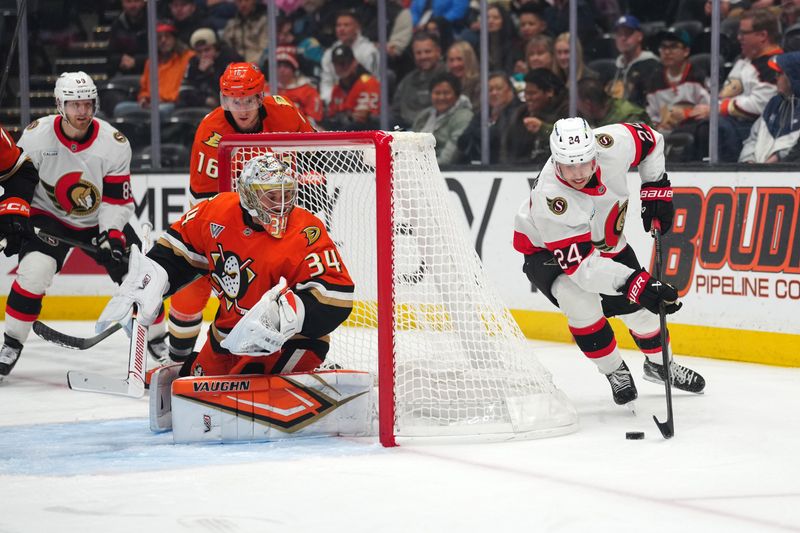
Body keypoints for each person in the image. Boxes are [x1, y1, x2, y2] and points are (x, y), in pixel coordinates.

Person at [96, 153, 354, 378]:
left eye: (287, 195)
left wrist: (287, 315)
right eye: (272, 196)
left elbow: (337, 297)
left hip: (287, 342)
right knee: (193, 385)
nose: (282, 205)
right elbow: (175, 253)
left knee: (241, 384)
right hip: (227, 338)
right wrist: (150, 283)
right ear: (249, 196)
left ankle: (312, 370)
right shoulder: (214, 212)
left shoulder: (306, 229)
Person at [513, 117, 706, 406]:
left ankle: (660, 366)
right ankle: (615, 370)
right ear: (555, 160)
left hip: (605, 240)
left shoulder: (612, 144)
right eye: (568, 165)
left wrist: (656, 185)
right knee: (582, 304)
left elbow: (652, 140)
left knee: (643, 312)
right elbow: (583, 269)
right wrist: (634, 282)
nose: (578, 173)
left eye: (585, 162)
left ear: (595, 153)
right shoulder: (551, 198)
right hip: (548, 252)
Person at [0, 72, 168, 381]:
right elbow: (19, 181)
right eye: (74, 104)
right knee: (34, 273)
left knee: (141, 277)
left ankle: (158, 340)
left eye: (88, 104)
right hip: (49, 217)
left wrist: (111, 234)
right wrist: (17, 214)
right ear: (59, 105)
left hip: (97, 221)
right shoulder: (36, 136)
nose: (82, 112)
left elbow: (117, 200)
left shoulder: (114, 143)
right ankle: (11, 343)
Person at [169, 62, 315, 363]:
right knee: (191, 288)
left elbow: (316, 157)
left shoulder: (285, 113)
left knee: (301, 284)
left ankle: (299, 354)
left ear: (260, 97)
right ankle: (176, 360)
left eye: (248, 100)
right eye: (234, 101)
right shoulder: (211, 132)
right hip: (230, 223)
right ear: (224, 100)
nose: (242, 108)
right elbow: (206, 201)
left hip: (282, 220)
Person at [691, 9, 784, 161]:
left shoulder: (774, 64)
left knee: (710, 128)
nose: (739, 37)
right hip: (734, 122)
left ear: (762, 35)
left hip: (758, 128)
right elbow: (724, 95)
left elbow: (761, 104)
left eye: (744, 33)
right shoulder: (744, 60)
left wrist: (717, 109)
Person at [114, 21, 195, 117]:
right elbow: (144, 89)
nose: (163, 40)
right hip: (151, 104)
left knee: (159, 112)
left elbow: (187, 89)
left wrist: (162, 100)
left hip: (172, 104)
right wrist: (144, 98)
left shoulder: (187, 58)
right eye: (159, 38)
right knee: (120, 109)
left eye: (167, 36)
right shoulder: (151, 62)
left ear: (175, 39)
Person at [645, 29, 710, 133]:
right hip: (663, 134)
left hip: (693, 130)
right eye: (663, 47)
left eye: (673, 46)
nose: (667, 52)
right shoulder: (655, 80)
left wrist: (686, 113)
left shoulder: (697, 75)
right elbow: (651, 114)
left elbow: (708, 108)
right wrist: (658, 125)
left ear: (686, 51)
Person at [739, 51, 800, 163]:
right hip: (755, 177)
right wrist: (748, 161)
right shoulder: (773, 104)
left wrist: (778, 160)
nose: (775, 77)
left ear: (794, 76)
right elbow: (752, 139)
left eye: (780, 73)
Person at [502, 68, 568, 164]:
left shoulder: (569, 111)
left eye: (532, 93)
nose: (527, 98)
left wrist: (543, 128)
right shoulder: (521, 114)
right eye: (525, 93)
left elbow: (570, 139)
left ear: (549, 91)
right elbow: (507, 150)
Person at [411, 72, 473, 165]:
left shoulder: (463, 116)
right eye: (437, 93)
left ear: (457, 95)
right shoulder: (424, 116)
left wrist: (424, 168)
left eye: (446, 93)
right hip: (418, 168)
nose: (441, 97)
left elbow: (450, 156)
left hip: (446, 170)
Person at [319, 10, 380, 104]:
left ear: (357, 28)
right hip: (337, 102)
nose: (341, 29)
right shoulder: (329, 53)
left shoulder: (369, 51)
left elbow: (374, 81)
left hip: (363, 101)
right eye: (338, 25)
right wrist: (331, 102)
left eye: (346, 25)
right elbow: (326, 83)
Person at [391, 31, 447, 128]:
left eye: (427, 52)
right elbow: (395, 110)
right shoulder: (407, 80)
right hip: (404, 129)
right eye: (418, 53)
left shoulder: (448, 78)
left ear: (438, 52)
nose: (423, 56)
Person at [321, 44, 381, 131]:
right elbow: (332, 117)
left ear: (354, 62)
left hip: (365, 135)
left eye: (343, 63)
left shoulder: (369, 83)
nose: (340, 67)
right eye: (336, 64)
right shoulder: (336, 89)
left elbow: (369, 118)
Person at [181, 27, 243, 108]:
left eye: (207, 50)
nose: (203, 55)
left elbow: (236, 91)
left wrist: (211, 73)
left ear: (216, 48)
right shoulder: (193, 62)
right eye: (199, 52)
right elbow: (184, 91)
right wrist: (204, 100)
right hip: (202, 105)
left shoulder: (230, 59)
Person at [607, 15, 659, 109]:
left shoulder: (652, 65)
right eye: (619, 34)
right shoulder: (614, 68)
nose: (623, 38)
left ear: (640, 36)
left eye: (628, 33)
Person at [264, 50, 324, 126]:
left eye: (286, 66)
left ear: (294, 69)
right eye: (278, 66)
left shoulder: (308, 90)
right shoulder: (265, 89)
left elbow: (314, 118)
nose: (282, 70)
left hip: (300, 133)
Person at [578, 77, 649, 128]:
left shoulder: (629, 118)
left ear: (588, 104)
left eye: (577, 102)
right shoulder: (591, 119)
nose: (576, 106)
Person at [108, 0, 148, 77]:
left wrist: (136, 61)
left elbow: (159, 54)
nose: (132, 5)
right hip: (124, 73)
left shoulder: (152, 22)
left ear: (143, 3)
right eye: (128, 1)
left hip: (149, 73)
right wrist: (120, 59)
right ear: (122, 3)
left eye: (136, 1)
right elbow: (110, 56)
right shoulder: (117, 25)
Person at [221, 0, 268, 65]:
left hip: (256, 64)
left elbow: (265, 49)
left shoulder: (264, 22)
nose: (243, 4)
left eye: (246, 0)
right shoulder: (232, 24)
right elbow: (225, 47)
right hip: (235, 65)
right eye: (239, 1)